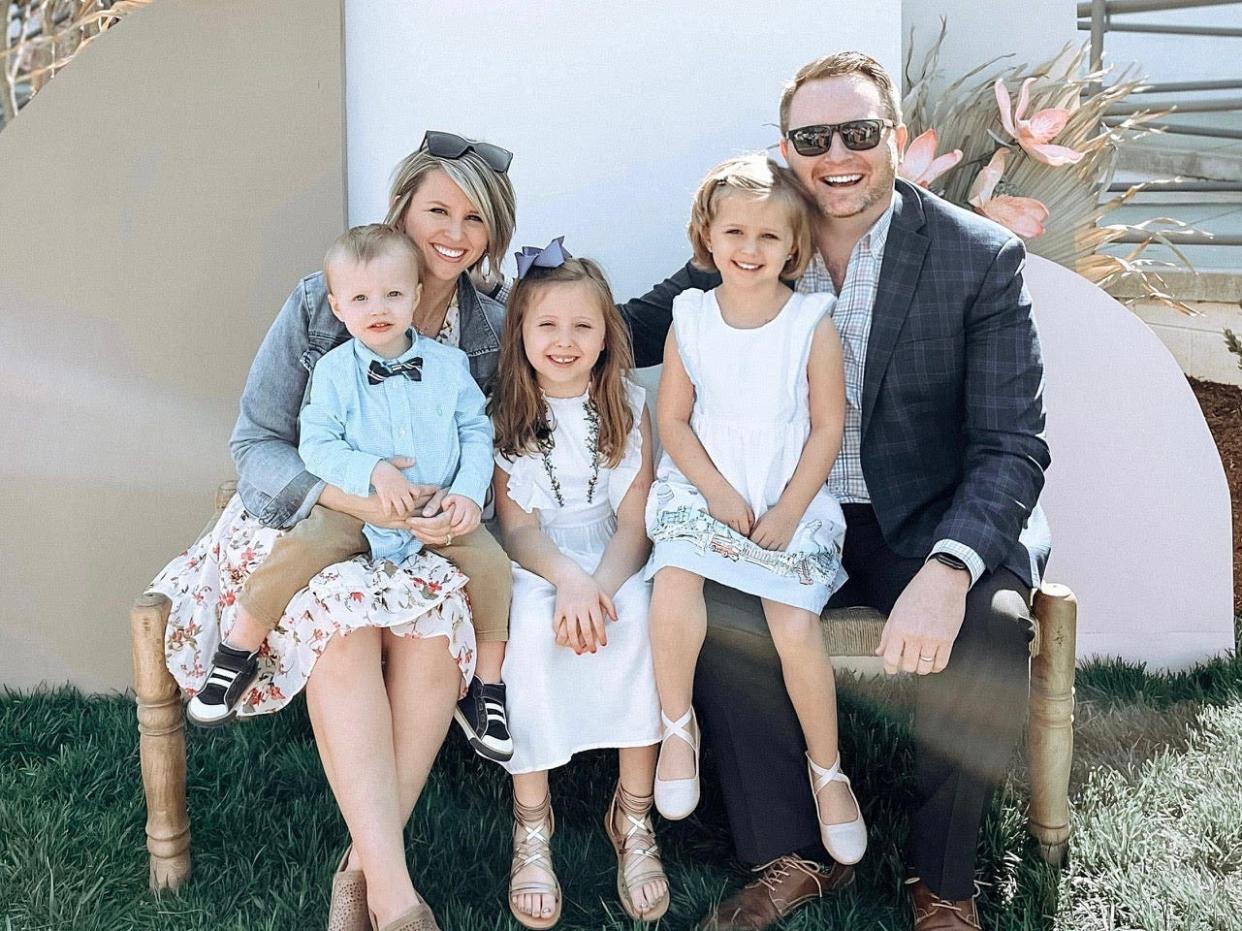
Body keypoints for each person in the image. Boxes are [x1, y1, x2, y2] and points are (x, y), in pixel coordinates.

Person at [621, 53, 1049, 931]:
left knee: (992, 627)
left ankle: (943, 878)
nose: (838, 154)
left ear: (894, 137)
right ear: (789, 147)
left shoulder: (979, 259)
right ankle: (790, 852)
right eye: (814, 138)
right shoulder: (755, 236)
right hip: (776, 509)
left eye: (859, 132)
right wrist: (482, 311)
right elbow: (620, 330)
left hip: (923, 519)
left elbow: (1013, 443)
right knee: (721, 607)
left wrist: (950, 565)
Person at [150, 132, 518, 931]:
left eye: (475, 220)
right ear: (401, 212)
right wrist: (354, 500)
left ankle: (360, 869)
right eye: (436, 211)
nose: (454, 233)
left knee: (427, 633)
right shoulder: (321, 300)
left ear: (495, 232)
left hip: (427, 526)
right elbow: (257, 440)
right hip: (315, 511)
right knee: (345, 626)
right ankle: (397, 899)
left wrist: (457, 504)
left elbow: (486, 434)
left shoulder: (489, 323)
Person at [642, 154, 866, 870]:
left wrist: (790, 508)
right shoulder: (691, 317)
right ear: (706, 238)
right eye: (734, 231)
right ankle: (678, 725)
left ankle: (827, 770)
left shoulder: (809, 323)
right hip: (706, 486)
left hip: (784, 492)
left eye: (770, 237)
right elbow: (672, 420)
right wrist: (713, 491)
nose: (749, 248)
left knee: (792, 621)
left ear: (795, 247)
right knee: (674, 577)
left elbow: (828, 426)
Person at [491, 241, 669, 928]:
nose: (564, 341)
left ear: (606, 337)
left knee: (641, 613)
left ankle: (633, 813)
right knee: (531, 628)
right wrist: (568, 581)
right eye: (547, 326)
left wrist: (599, 585)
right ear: (522, 334)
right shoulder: (507, 410)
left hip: (612, 551)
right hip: (540, 560)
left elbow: (635, 522)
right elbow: (518, 529)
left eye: (582, 327)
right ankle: (532, 820)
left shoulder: (627, 402)